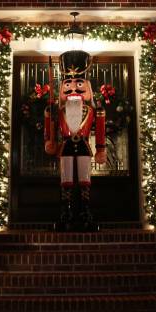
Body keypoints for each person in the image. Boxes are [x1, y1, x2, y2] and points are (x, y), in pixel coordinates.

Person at [44, 50, 106, 232]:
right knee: (66, 181)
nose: (73, 89)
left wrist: (101, 148)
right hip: (65, 146)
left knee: (85, 180)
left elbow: (100, 130)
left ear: (87, 86)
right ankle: (66, 214)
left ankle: (86, 213)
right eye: (68, 84)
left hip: (85, 146)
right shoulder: (58, 110)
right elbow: (51, 130)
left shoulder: (95, 110)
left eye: (79, 83)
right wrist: (49, 138)